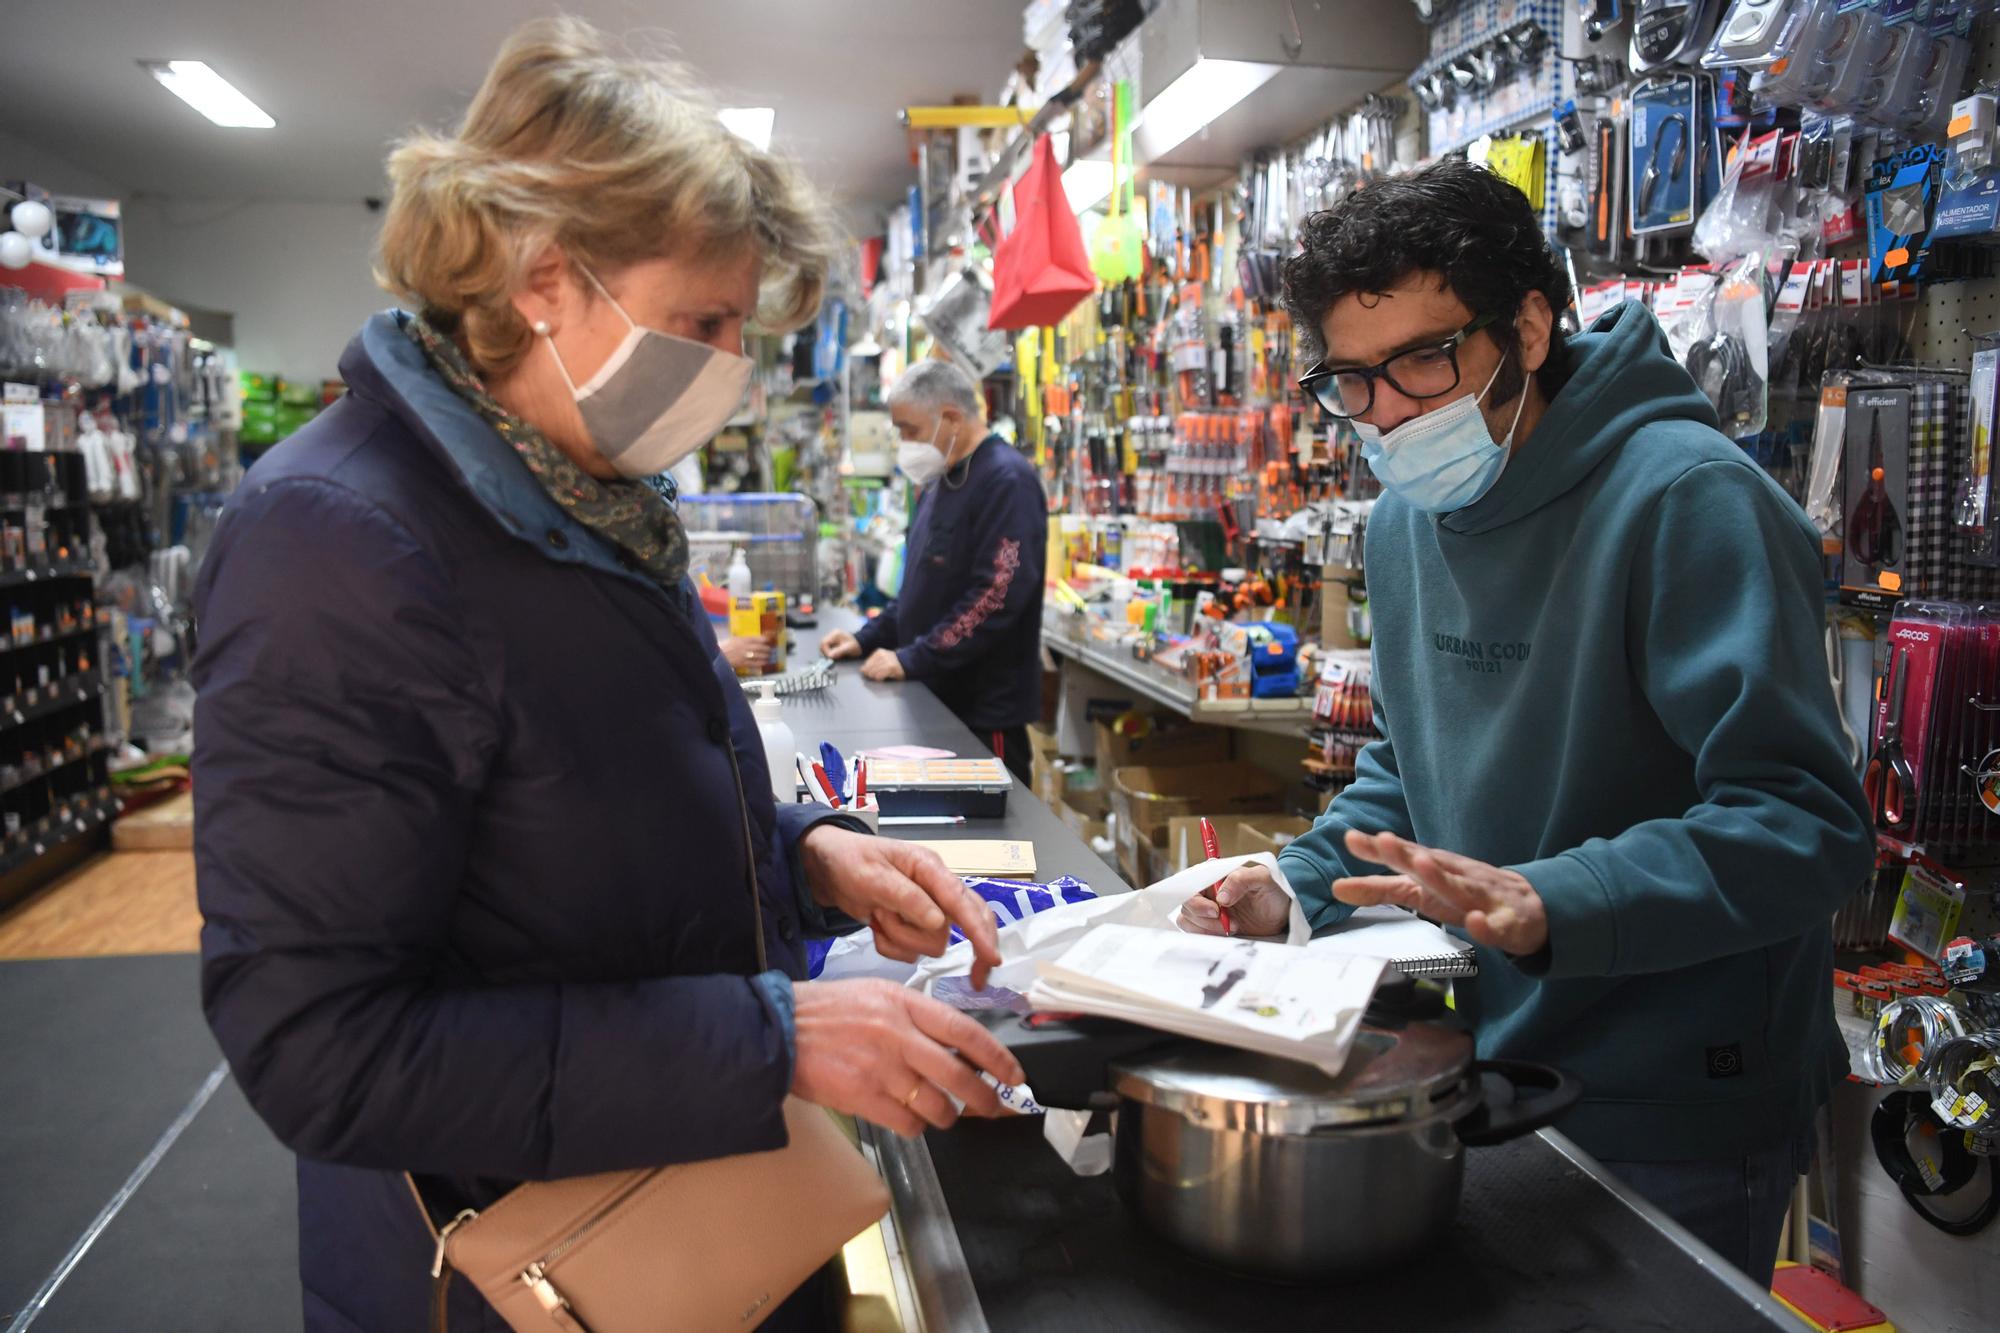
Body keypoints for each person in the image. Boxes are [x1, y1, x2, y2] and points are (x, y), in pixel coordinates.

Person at [190, 21, 1020, 1332]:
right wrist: (778, 1040)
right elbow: (320, 1046)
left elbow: (580, 809)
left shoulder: (579, 489)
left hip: (700, 1228)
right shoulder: (339, 545)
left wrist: (806, 856)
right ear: (541, 276)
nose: (728, 368)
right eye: (704, 320)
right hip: (534, 1279)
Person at [1182, 161, 1871, 1285]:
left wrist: (1556, 898)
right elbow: (1409, 769)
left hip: (1672, 1104)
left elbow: (1805, 825)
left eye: (1423, 358)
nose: (1388, 412)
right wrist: (1294, 887)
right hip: (1474, 1063)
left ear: (1530, 327)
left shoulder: (1686, 500)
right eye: (1350, 380)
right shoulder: (1407, 521)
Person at [820, 360, 1048, 780]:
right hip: (936, 699)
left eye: (910, 430)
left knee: (993, 839)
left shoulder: (1006, 481)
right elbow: (921, 591)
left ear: (951, 419)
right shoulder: (942, 480)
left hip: (983, 715)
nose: (905, 443)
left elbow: (996, 596)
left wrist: (914, 657)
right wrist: (864, 638)